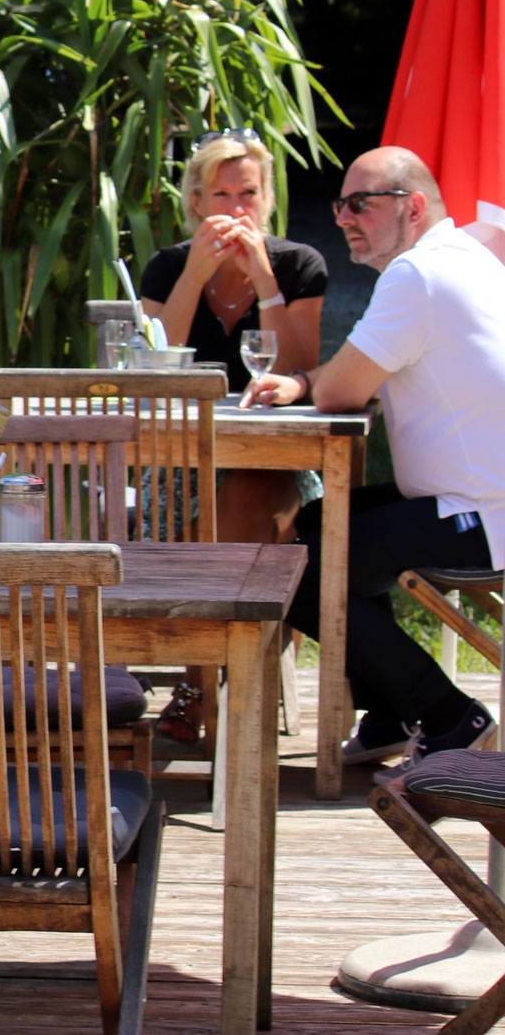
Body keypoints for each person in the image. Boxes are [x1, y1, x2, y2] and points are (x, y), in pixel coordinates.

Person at [245, 147, 505, 771]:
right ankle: (390, 713)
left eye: (361, 204)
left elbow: (341, 390)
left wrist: (307, 384)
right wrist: (307, 382)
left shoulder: (417, 276)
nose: (343, 218)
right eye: (340, 205)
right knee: (318, 524)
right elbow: (358, 374)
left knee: (299, 572)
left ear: (412, 207)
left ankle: (448, 716)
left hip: (482, 514)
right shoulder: (467, 255)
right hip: (475, 500)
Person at [140, 130, 328, 542]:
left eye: (248, 193)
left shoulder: (299, 265)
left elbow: (298, 372)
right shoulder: (167, 268)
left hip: (274, 451)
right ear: (198, 203)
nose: (237, 209)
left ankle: (208, 583)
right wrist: (193, 277)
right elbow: (154, 372)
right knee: (190, 529)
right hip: (184, 452)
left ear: (267, 198)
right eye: (221, 195)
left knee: (245, 498)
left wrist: (264, 280)